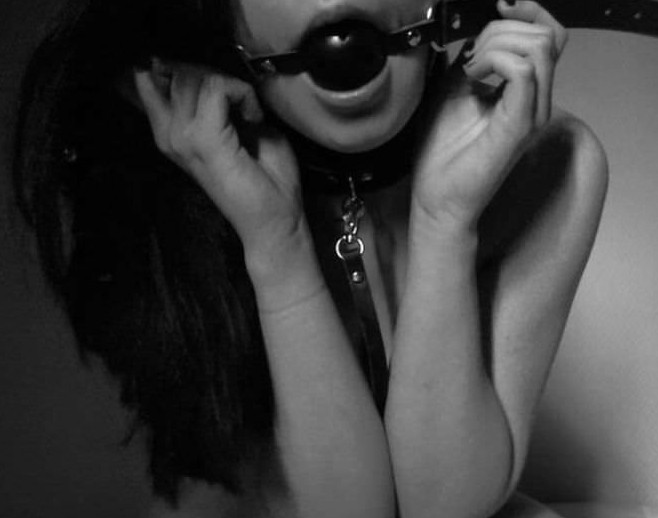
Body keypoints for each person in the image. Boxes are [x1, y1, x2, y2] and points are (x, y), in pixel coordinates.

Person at [12, 0, 608, 516]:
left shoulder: (548, 160)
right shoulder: (156, 174)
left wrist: (444, 222)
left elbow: (446, 506)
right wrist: (278, 246)